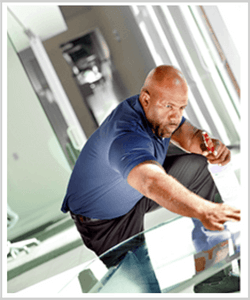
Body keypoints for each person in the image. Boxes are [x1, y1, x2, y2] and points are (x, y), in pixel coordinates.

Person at [61, 65, 240, 292]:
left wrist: (209, 145)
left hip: (133, 192)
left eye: (181, 107)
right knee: (147, 292)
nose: (176, 116)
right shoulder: (126, 136)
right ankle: (99, 291)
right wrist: (202, 209)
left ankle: (213, 276)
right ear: (145, 99)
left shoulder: (159, 113)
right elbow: (151, 182)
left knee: (198, 168)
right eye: (169, 106)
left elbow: (189, 136)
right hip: (105, 221)